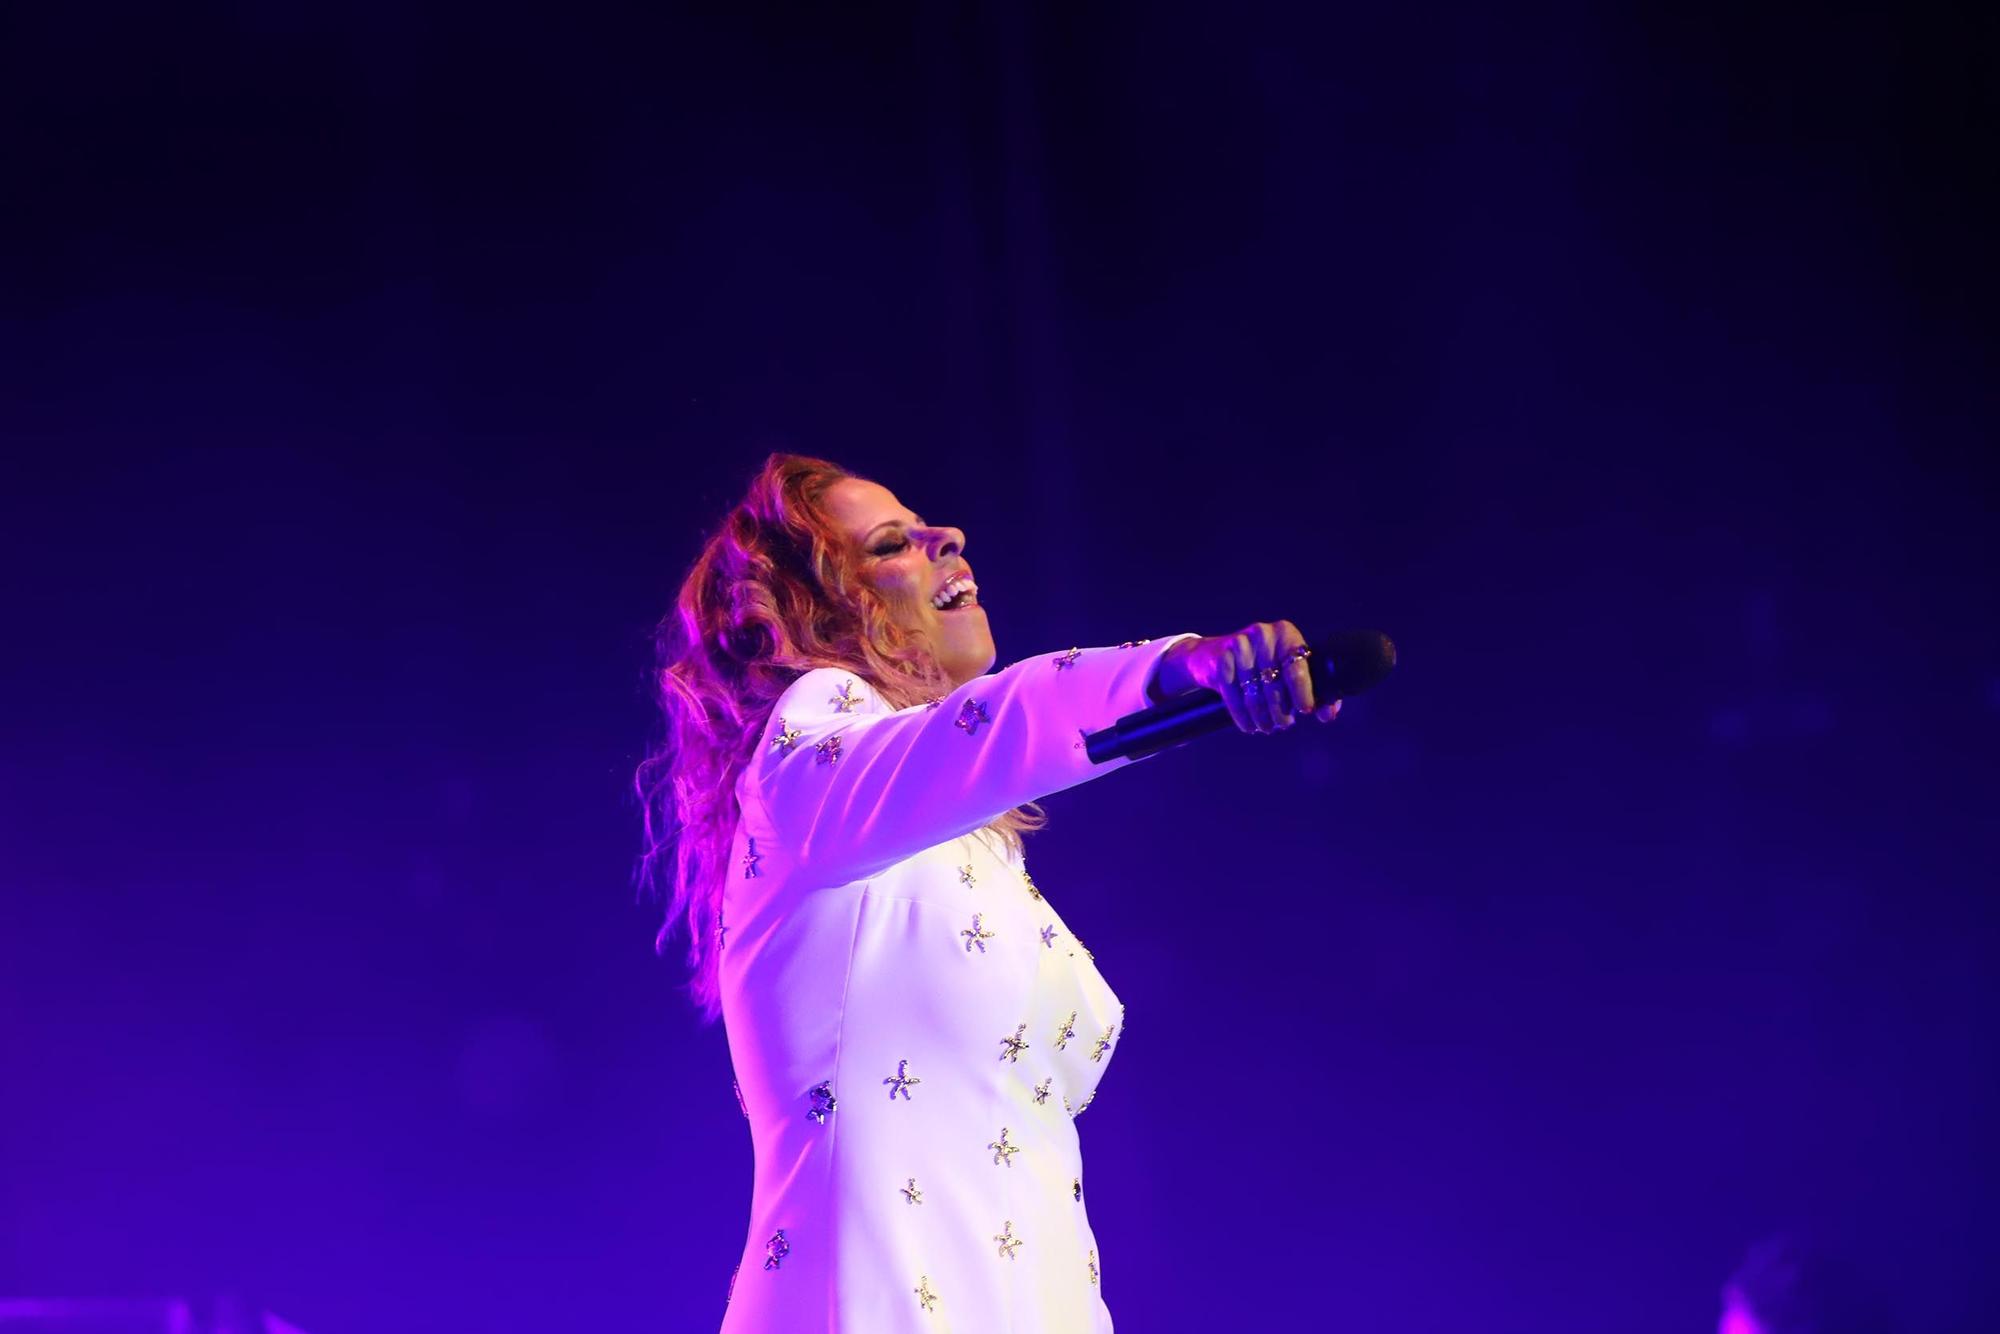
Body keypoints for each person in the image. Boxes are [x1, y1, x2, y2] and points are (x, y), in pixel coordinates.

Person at [634, 453, 1339, 1331]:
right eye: (894, 544)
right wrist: (1180, 669)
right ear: (816, 612)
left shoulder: (969, 850)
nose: (948, 539)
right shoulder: (809, 752)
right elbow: (999, 726)